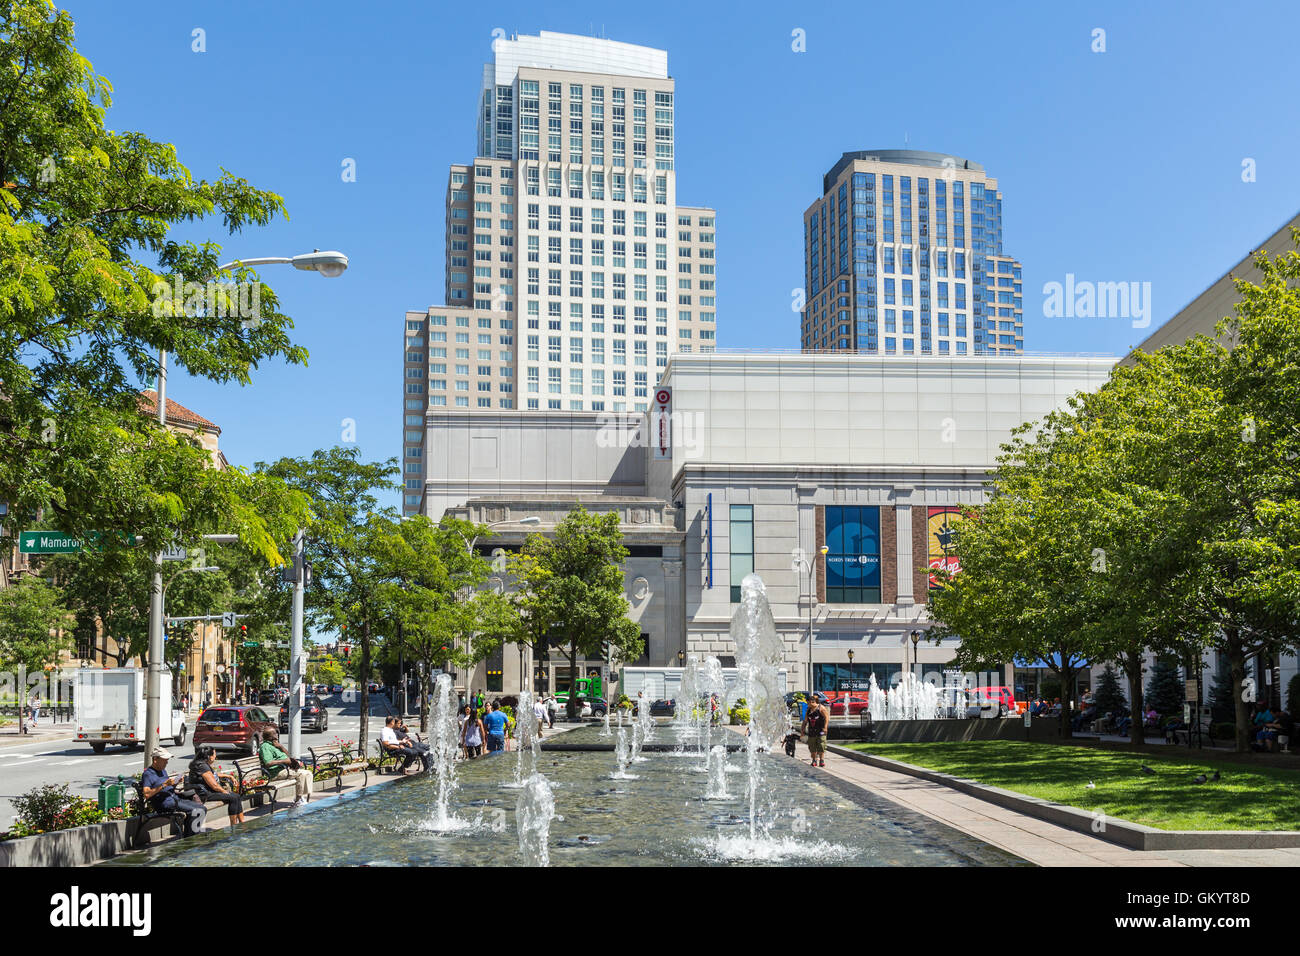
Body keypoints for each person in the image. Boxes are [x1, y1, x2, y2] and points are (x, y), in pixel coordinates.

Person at [141, 747, 207, 835]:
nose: (167, 762)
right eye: (164, 760)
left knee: (202, 809)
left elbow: (168, 787)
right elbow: (146, 794)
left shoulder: (162, 771)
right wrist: (164, 785)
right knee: (196, 811)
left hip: (174, 798)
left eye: (167, 760)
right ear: (155, 759)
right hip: (164, 804)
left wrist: (175, 782)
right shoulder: (148, 774)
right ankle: (191, 837)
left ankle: (190, 835)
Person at [187, 744, 245, 825]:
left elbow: (213, 774)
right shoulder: (202, 766)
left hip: (206, 791)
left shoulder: (202, 764)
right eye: (214, 754)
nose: (215, 757)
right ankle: (234, 826)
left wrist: (229, 776)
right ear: (209, 756)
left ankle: (242, 823)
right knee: (233, 798)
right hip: (203, 794)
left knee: (237, 796)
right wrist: (224, 791)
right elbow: (214, 785)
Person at [258, 727, 313, 805]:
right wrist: (284, 761)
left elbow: (288, 756)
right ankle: (298, 799)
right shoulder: (265, 747)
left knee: (308, 773)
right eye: (274, 733)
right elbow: (268, 763)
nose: (277, 734)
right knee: (301, 774)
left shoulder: (275, 744)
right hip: (275, 773)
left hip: (284, 770)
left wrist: (281, 747)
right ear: (270, 736)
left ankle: (300, 797)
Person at [801, 694, 829, 768]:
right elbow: (805, 721)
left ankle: (822, 760)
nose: (807, 704)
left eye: (808, 703)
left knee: (821, 745)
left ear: (812, 702)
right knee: (812, 747)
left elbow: (826, 718)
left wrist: (825, 727)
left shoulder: (821, 708)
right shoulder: (808, 710)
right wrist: (802, 731)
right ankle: (814, 760)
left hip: (821, 731)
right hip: (812, 731)